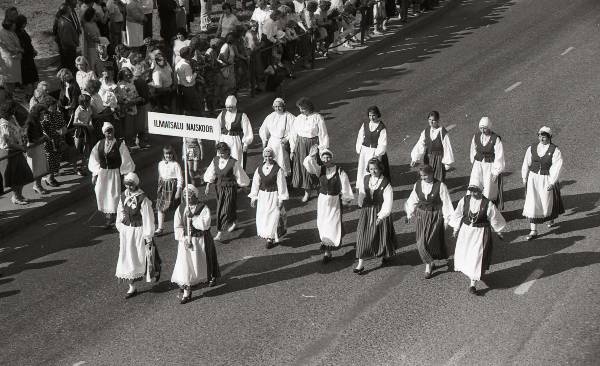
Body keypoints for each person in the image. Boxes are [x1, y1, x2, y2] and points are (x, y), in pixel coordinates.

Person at [450, 184, 506, 294]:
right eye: (470, 191)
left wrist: (499, 232)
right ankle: (471, 274)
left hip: (480, 233)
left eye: (475, 191)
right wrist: (455, 229)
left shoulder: (487, 204)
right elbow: (458, 214)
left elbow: (494, 218)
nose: (472, 194)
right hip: (466, 233)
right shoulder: (464, 200)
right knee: (466, 255)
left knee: (476, 256)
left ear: (481, 190)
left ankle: (472, 284)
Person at [172, 184, 221, 304]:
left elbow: (205, 225)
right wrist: (183, 239)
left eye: (190, 195)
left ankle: (207, 277)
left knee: (199, 264)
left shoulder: (203, 208)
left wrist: (193, 217)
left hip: (199, 241)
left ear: (195, 196)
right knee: (185, 265)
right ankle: (187, 291)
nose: (187, 197)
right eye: (185, 195)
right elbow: (177, 226)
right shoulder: (181, 208)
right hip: (186, 242)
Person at [303, 147, 354, 263]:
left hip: (334, 200)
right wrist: (311, 156)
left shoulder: (339, 171)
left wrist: (346, 199)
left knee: (333, 224)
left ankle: (329, 248)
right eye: (324, 157)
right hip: (322, 201)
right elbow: (309, 166)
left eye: (328, 157)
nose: (326, 159)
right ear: (321, 159)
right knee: (322, 223)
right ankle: (327, 251)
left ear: (331, 158)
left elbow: (345, 185)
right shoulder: (319, 169)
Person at [404, 164, 454, 278]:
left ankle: (429, 264)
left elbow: (447, 203)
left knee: (429, 241)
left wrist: (447, 220)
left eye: (425, 176)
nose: (423, 178)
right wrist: (409, 213)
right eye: (421, 176)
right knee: (421, 242)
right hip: (421, 216)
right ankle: (429, 263)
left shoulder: (441, 186)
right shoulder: (417, 184)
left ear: (431, 173)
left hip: (435, 216)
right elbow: (413, 199)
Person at [115, 172, 156, 298]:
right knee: (127, 257)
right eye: (127, 185)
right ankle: (131, 286)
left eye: (131, 185)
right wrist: (121, 226)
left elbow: (148, 218)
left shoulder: (142, 199)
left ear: (136, 184)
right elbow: (120, 212)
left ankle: (151, 273)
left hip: (139, 231)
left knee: (141, 257)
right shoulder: (123, 196)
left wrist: (148, 236)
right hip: (127, 232)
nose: (128, 188)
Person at [88, 122, 136, 228]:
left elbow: (126, 159)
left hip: (114, 173)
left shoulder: (120, 144)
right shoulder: (100, 144)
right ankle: (109, 215)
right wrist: (94, 174)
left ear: (114, 131)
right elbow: (93, 158)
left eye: (111, 131)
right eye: (107, 132)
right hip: (103, 173)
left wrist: (125, 174)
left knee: (113, 195)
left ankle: (112, 218)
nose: (109, 134)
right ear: (104, 133)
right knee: (101, 192)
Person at [521, 126, 564, 240]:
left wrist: (552, 181)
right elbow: (526, 162)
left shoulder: (555, 150)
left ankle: (550, 217)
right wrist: (524, 177)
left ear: (549, 137)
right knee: (532, 202)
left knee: (546, 202)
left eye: (544, 137)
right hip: (533, 179)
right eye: (540, 136)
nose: (541, 139)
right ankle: (533, 230)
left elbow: (557, 166)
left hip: (546, 179)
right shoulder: (532, 148)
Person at [354, 158, 396, 274]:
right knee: (362, 235)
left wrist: (381, 216)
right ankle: (360, 263)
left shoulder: (386, 183)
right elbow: (362, 193)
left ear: (380, 169)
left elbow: (388, 202)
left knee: (380, 235)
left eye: (375, 169)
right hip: (367, 211)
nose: (373, 171)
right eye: (371, 169)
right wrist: (361, 204)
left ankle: (384, 253)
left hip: (379, 210)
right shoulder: (366, 178)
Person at [203, 142, 250, 241]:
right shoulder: (215, 160)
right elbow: (211, 173)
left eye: (222, 153)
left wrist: (244, 186)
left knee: (223, 209)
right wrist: (208, 185)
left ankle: (219, 232)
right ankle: (235, 221)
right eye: (219, 153)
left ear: (228, 151)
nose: (220, 155)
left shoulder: (233, 162)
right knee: (229, 206)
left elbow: (239, 175)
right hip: (219, 188)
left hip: (230, 188)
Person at [290, 97, 329, 202]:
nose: (301, 111)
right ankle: (307, 192)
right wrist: (292, 150)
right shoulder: (298, 118)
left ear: (309, 107)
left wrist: (322, 149)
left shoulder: (317, 117)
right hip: (301, 145)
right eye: (300, 109)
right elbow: (293, 134)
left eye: (303, 109)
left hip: (313, 146)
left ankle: (319, 190)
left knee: (315, 167)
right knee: (304, 169)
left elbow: (323, 134)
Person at [249, 147, 290, 249]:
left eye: (270, 156)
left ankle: (270, 238)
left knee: (273, 215)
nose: (268, 158)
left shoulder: (278, 170)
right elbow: (255, 184)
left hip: (273, 195)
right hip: (263, 196)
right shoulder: (259, 169)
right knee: (264, 216)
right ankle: (269, 234)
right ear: (263, 156)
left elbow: (281, 185)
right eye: (266, 156)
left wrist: (281, 199)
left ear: (273, 156)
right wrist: (253, 197)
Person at [0, 101, 34, 204]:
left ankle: (19, 195)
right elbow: (8, 142)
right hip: (11, 152)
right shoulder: (3, 124)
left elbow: (18, 130)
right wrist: (21, 147)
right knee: (16, 176)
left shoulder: (12, 118)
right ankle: (16, 197)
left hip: (17, 149)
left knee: (22, 175)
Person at [469, 116, 505, 209]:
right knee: (475, 185)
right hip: (478, 165)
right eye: (481, 128)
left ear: (489, 127)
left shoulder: (495, 138)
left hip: (489, 166)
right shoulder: (476, 136)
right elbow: (473, 149)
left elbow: (499, 155)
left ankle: (487, 210)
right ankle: (474, 209)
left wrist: (496, 172)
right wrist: (474, 161)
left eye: (484, 128)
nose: (482, 130)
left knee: (489, 190)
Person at [410, 111, 454, 182]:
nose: (431, 122)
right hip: (428, 158)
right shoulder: (426, 131)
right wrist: (414, 158)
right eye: (429, 120)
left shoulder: (443, 132)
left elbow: (447, 148)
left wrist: (447, 163)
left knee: (438, 178)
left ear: (437, 121)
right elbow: (420, 144)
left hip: (439, 159)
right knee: (427, 177)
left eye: (433, 120)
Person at [355, 105, 391, 191]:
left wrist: (377, 154)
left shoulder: (381, 127)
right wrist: (359, 147)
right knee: (362, 168)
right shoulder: (365, 124)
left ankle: (373, 187)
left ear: (378, 115)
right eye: (370, 115)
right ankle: (361, 186)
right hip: (365, 151)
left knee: (373, 169)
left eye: (374, 115)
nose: (372, 117)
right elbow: (360, 136)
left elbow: (382, 143)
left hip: (374, 152)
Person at [214, 95, 254, 170]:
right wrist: (217, 140)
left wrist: (246, 144)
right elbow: (217, 126)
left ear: (235, 105)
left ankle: (236, 178)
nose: (228, 109)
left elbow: (247, 129)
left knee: (235, 160)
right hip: (224, 140)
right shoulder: (222, 113)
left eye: (231, 107)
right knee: (223, 159)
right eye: (227, 107)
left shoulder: (241, 115)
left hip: (235, 141)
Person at [259, 98, 295, 177]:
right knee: (271, 161)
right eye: (275, 107)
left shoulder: (289, 117)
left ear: (283, 106)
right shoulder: (270, 116)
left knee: (282, 162)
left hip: (282, 143)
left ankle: (285, 180)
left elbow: (294, 131)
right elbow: (264, 129)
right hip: (272, 143)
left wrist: (287, 138)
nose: (277, 108)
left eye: (279, 106)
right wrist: (264, 140)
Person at [39, 96, 67, 188]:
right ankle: (50, 178)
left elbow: (63, 125)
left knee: (57, 159)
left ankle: (51, 177)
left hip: (59, 140)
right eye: (52, 106)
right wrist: (53, 135)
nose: (55, 107)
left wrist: (62, 131)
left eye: (55, 105)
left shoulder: (58, 114)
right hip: (48, 142)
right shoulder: (43, 117)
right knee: (50, 160)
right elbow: (42, 130)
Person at [155, 145, 183, 235]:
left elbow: (180, 178)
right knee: (160, 207)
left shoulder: (175, 164)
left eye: (170, 154)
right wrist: (159, 187)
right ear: (164, 154)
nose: (168, 156)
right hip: (163, 187)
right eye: (166, 154)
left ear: (173, 154)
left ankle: (179, 226)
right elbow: (160, 175)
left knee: (176, 208)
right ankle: (160, 228)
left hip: (173, 187)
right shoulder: (160, 163)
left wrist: (178, 190)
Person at [25, 104, 50, 195]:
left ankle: (38, 185)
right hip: (34, 148)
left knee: (40, 167)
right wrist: (43, 138)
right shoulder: (30, 122)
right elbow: (31, 139)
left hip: (39, 147)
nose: (43, 116)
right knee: (36, 168)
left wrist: (43, 137)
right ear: (37, 113)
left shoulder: (36, 121)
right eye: (42, 114)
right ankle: (37, 185)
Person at [15, 15, 39, 97]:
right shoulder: (17, 34)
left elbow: (28, 43)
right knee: (28, 80)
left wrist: (32, 50)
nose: (26, 24)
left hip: (28, 58)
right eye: (25, 22)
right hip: (24, 60)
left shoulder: (22, 31)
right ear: (22, 24)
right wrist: (30, 51)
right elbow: (22, 47)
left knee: (32, 79)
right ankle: (30, 96)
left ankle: (33, 94)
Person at [54, 4, 79, 73]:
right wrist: (74, 44)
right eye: (69, 8)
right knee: (71, 68)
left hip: (67, 48)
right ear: (67, 11)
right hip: (69, 49)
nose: (70, 9)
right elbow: (67, 40)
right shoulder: (65, 23)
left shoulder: (63, 20)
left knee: (68, 67)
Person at [0, 17, 23, 93]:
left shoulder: (10, 31)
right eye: (14, 25)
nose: (15, 26)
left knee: (12, 79)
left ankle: (11, 95)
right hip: (9, 59)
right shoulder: (3, 33)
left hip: (13, 58)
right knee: (9, 79)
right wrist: (20, 50)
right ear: (10, 25)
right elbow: (10, 47)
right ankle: (9, 96)